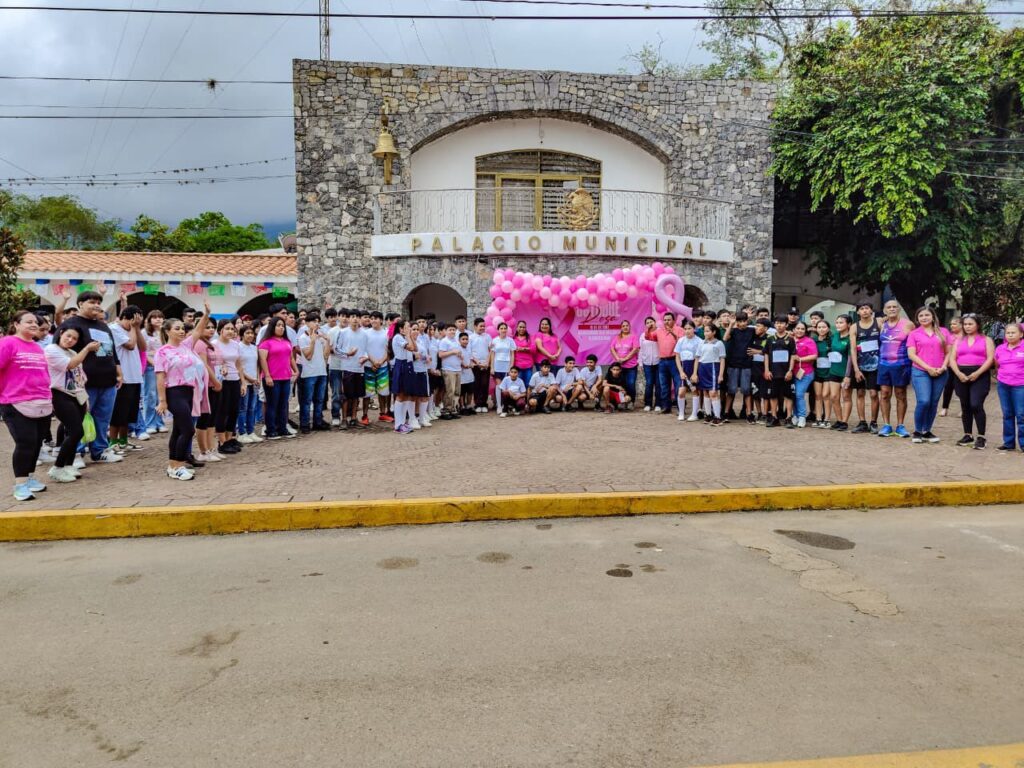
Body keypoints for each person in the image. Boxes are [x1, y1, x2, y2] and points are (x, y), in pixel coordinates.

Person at [62, 291, 123, 464]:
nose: (97, 305)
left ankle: (99, 450)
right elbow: (62, 350)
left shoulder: (102, 326)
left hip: (108, 380)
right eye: (92, 302)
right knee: (80, 418)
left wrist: (118, 371)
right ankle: (77, 453)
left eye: (99, 302)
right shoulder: (71, 324)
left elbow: (112, 351)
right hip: (83, 382)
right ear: (80, 304)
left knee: (103, 418)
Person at [0, 311, 54, 500]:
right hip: (15, 402)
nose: (34, 325)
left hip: (42, 402)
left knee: (37, 442)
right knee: (25, 443)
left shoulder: (37, 347)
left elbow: (43, 374)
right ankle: (20, 484)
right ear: (16, 324)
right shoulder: (7, 343)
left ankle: (30, 477)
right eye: (28, 322)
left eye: (36, 322)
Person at [154, 319, 208, 481]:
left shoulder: (186, 346)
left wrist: (206, 314)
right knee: (188, 430)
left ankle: (173, 466)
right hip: (173, 392)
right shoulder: (162, 352)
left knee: (178, 430)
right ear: (167, 331)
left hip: (188, 391)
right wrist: (163, 400)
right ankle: (178, 466)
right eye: (177, 328)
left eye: (183, 328)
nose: (181, 331)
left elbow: (198, 330)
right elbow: (160, 377)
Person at [44, 324, 97, 483]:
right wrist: (87, 349)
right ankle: (57, 467)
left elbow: (80, 376)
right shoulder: (51, 349)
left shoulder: (73, 352)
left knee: (71, 432)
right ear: (60, 333)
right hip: (60, 394)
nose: (70, 340)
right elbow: (71, 365)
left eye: (74, 338)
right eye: (68, 336)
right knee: (76, 431)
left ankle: (68, 465)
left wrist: (85, 399)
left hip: (77, 395)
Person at [949, 313, 995, 450]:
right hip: (961, 374)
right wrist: (958, 373)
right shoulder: (958, 340)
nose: (967, 327)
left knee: (976, 404)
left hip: (979, 374)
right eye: (965, 324)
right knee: (965, 405)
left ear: (978, 325)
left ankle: (981, 436)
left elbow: (990, 358)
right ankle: (968, 434)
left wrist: (978, 373)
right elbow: (952, 358)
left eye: (970, 324)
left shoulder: (986, 339)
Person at [906, 306, 951, 443]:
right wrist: (928, 368)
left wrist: (943, 367)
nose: (924, 318)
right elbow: (911, 354)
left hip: (941, 372)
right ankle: (918, 431)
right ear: (917, 319)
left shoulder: (943, 332)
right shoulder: (914, 334)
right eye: (921, 316)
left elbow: (949, 352)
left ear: (932, 316)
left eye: (926, 315)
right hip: (920, 371)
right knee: (924, 401)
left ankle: (927, 431)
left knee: (933, 402)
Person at [108, 305, 146, 453]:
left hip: (135, 376)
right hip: (122, 377)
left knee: (129, 412)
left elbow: (142, 347)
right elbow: (130, 345)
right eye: (132, 321)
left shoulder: (133, 330)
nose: (134, 324)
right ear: (124, 318)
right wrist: (133, 328)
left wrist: (136, 328)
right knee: (118, 412)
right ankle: (113, 442)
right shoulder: (114, 329)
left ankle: (123, 441)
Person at [876, 300, 915, 438]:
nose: (892, 309)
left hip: (901, 364)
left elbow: (914, 343)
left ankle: (900, 425)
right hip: (883, 364)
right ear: (884, 310)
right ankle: (886, 425)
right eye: (889, 307)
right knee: (885, 394)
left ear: (898, 309)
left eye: (894, 307)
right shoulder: (881, 324)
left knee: (900, 394)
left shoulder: (908, 324)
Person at [258, 316, 298, 440]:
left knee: (283, 404)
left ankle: (282, 428)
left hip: (285, 377)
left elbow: (291, 358)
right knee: (272, 404)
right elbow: (262, 360)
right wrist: (267, 375)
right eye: (278, 325)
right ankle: (271, 430)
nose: (281, 327)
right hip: (272, 378)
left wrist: (296, 370)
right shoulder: (266, 342)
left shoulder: (287, 342)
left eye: (282, 325)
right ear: (272, 327)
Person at [297, 312, 331, 433]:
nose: (316, 324)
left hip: (321, 371)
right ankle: (305, 424)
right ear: (306, 323)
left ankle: (318, 422)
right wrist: (312, 341)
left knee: (319, 400)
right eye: (313, 321)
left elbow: (326, 355)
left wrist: (327, 341)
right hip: (309, 374)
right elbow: (308, 356)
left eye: (318, 321)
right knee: (306, 401)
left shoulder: (320, 336)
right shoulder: (303, 338)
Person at [993, 322, 1024, 452]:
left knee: (1021, 414)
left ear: (1021, 334)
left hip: (1020, 385)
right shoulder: (1000, 348)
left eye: (1013, 333)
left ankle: (1023, 443)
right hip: (1003, 384)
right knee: (1007, 414)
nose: (1010, 335)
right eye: (1008, 333)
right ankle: (1008, 442)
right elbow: (997, 364)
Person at [135, 309, 165, 440]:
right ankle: (150, 423)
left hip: (163, 367)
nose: (158, 319)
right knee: (150, 395)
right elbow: (144, 352)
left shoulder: (165, 332)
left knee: (160, 396)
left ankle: (160, 422)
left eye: (160, 317)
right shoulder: (144, 333)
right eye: (155, 317)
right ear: (149, 320)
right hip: (150, 366)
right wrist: (153, 363)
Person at [335, 312, 368, 429]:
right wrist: (347, 354)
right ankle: (344, 419)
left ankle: (354, 418)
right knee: (346, 396)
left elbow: (366, 349)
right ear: (349, 319)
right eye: (353, 317)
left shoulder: (364, 334)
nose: (355, 319)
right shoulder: (343, 333)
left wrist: (365, 357)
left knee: (356, 395)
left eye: (357, 317)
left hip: (359, 368)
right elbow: (336, 349)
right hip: (347, 368)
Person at [723, 311, 754, 422]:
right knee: (731, 390)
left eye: (744, 321)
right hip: (733, 364)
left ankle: (749, 414)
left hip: (747, 364)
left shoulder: (752, 330)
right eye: (739, 321)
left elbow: (763, 330)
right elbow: (725, 338)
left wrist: (757, 351)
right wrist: (731, 324)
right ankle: (726, 413)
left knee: (747, 390)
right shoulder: (734, 331)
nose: (742, 323)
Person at [764, 316, 795, 428]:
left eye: (782, 323)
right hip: (773, 372)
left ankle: (788, 418)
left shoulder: (790, 339)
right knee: (773, 395)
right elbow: (766, 355)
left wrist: (790, 371)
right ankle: (774, 417)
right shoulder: (770, 339)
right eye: (777, 323)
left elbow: (793, 355)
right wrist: (767, 370)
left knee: (788, 396)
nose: (779, 325)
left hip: (786, 372)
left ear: (786, 325)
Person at [693, 323, 726, 425]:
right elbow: (697, 358)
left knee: (713, 393)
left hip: (713, 368)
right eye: (705, 331)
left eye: (708, 331)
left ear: (714, 332)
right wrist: (695, 373)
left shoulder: (719, 343)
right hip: (702, 368)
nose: (706, 333)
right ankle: (708, 415)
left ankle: (717, 416)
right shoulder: (701, 343)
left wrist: (720, 375)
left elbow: (722, 359)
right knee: (705, 392)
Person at [652, 312, 684, 414]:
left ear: (673, 321)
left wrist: (674, 334)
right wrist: (649, 328)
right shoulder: (659, 331)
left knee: (678, 384)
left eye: (669, 320)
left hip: (675, 361)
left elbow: (683, 342)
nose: (667, 322)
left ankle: (680, 408)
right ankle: (666, 407)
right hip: (662, 361)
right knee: (664, 385)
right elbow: (649, 337)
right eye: (665, 320)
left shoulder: (680, 330)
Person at [364, 311, 392, 424]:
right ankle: (364, 415)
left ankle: (383, 414)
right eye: (372, 318)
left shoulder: (386, 334)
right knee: (367, 393)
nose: (374, 320)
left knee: (383, 392)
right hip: (368, 366)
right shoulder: (365, 333)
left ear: (381, 320)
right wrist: (373, 362)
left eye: (376, 318)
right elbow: (364, 349)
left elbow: (389, 351)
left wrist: (380, 362)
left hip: (383, 366)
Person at [389, 318, 417, 434]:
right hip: (401, 366)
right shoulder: (397, 337)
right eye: (407, 327)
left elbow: (415, 348)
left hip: (408, 366)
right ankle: (398, 424)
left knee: (405, 395)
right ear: (401, 329)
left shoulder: (405, 337)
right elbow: (410, 347)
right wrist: (408, 336)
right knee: (400, 395)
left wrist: (409, 336)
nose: (409, 329)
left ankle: (403, 422)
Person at [236, 325, 262, 443]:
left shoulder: (254, 347)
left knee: (252, 408)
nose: (250, 335)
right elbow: (239, 366)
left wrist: (257, 377)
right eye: (247, 333)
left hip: (255, 381)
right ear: (242, 335)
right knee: (243, 408)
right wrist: (249, 379)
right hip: (244, 381)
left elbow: (257, 364)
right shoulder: (238, 347)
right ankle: (242, 432)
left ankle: (251, 431)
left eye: (252, 333)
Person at [827, 314, 853, 431]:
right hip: (834, 370)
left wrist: (847, 376)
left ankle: (844, 421)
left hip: (845, 372)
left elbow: (851, 357)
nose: (838, 324)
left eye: (841, 322)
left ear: (848, 324)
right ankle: (839, 419)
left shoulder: (850, 338)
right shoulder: (834, 336)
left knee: (846, 397)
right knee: (833, 396)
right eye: (837, 322)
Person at [789, 321, 817, 429]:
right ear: (794, 330)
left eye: (802, 329)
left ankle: (802, 416)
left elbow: (814, 356)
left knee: (799, 394)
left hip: (806, 373)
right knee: (793, 394)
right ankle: (795, 415)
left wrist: (800, 359)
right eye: (798, 328)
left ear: (805, 331)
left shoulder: (809, 341)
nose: (800, 331)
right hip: (791, 373)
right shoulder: (790, 340)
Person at [673, 321, 702, 421]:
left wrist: (694, 373)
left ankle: (694, 414)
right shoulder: (681, 341)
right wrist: (681, 371)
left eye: (689, 328)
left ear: (694, 329)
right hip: (684, 368)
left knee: (695, 390)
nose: (687, 331)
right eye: (685, 329)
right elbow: (677, 357)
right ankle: (681, 413)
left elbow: (698, 358)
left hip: (694, 367)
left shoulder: (699, 341)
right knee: (681, 392)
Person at [939, 316, 963, 417]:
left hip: (962, 366)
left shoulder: (966, 337)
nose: (952, 326)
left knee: (961, 389)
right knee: (948, 387)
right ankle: (945, 408)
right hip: (949, 366)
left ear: (961, 325)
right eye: (951, 324)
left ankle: (964, 409)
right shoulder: (949, 336)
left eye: (954, 324)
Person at [438, 324, 463, 419]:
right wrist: (453, 352)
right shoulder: (444, 341)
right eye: (450, 329)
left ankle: (453, 409)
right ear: (446, 331)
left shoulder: (456, 341)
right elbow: (440, 354)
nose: (452, 331)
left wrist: (460, 356)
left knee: (457, 391)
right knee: (449, 391)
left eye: (454, 330)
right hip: (448, 369)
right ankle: (446, 410)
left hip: (457, 369)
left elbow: (458, 353)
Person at [490, 322, 516, 416]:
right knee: (498, 386)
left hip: (507, 366)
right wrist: (492, 367)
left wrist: (511, 367)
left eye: (505, 328)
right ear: (498, 330)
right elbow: (492, 354)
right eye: (501, 328)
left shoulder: (510, 341)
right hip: (497, 366)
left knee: (506, 387)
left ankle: (506, 405)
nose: (503, 330)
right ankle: (499, 406)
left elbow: (512, 354)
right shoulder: (494, 341)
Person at [609, 320, 639, 402]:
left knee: (631, 384)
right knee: (621, 385)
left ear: (629, 327)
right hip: (619, 367)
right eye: (623, 326)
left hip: (631, 366)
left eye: (627, 325)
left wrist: (625, 359)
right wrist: (617, 358)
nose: (625, 327)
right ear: (621, 328)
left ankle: (631, 402)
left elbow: (635, 349)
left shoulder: (634, 337)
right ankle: (621, 401)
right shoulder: (616, 338)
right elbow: (612, 348)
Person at [748, 318, 771, 422]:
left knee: (765, 393)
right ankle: (759, 413)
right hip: (754, 368)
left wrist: (758, 351)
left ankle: (766, 414)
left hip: (765, 369)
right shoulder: (752, 337)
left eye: (759, 326)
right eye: (756, 325)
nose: (756, 328)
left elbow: (770, 352)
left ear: (765, 328)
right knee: (755, 392)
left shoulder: (770, 338)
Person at [812, 320, 833, 428]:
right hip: (817, 371)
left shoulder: (832, 340)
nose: (821, 329)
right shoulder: (813, 341)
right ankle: (818, 418)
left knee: (826, 395)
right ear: (816, 329)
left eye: (824, 327)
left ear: (828, 328)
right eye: (819, 327)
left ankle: (827, 419)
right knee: (818, 395)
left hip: (829, 372)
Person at [469, 318, 492, 413]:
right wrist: (477, 362)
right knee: (476, 384)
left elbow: (491, 350)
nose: (482, 328)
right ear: (475, 326)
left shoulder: (488, 337)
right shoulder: (470, 337)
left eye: (484, 326)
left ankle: (484, 404)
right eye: (480, 326)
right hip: (475, 365)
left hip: (486, 365)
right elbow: (469, 352)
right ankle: (477, 404)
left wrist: (487, 362)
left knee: (485, 384)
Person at [638, 316, 660, 411]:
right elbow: (641, 350)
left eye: (651, 321)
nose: (650, 323)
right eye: (647, 322)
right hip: (647, 362)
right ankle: (648, 404)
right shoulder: (643, 335)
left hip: (658, 362)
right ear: (645, 325)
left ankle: (658, 404)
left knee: (658, 383)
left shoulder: (660, 333)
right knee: (649, 383)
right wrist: (640, 363)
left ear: (655, 323)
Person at [512, 321, 534, 386]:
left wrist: (524, 349)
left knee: (528, 384)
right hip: (517, 365)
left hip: (528, 365)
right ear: (517, 328)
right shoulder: (513, 339)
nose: (522, 329)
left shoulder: (530, 337)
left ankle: (527, 396)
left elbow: (534, 349)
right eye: (520, 327)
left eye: (523, 327)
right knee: (518, 385)